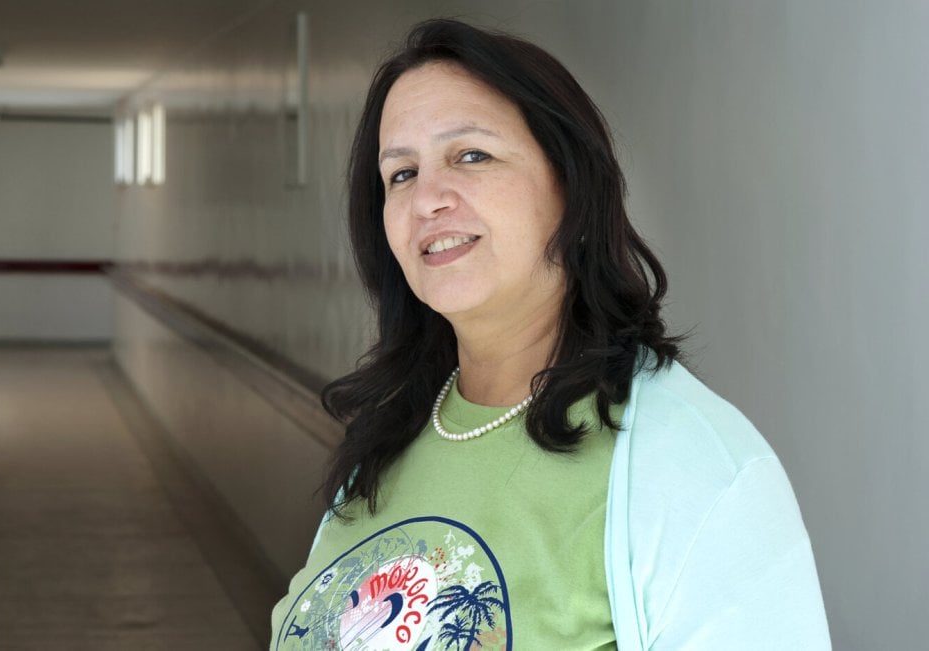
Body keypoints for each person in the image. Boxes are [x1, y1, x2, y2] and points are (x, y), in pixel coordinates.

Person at [271, 18, 830, 650]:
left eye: (471, 155)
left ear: (573, 187)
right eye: (401, 173)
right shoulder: (387, 437)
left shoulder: (700, 470)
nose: (427, 198)